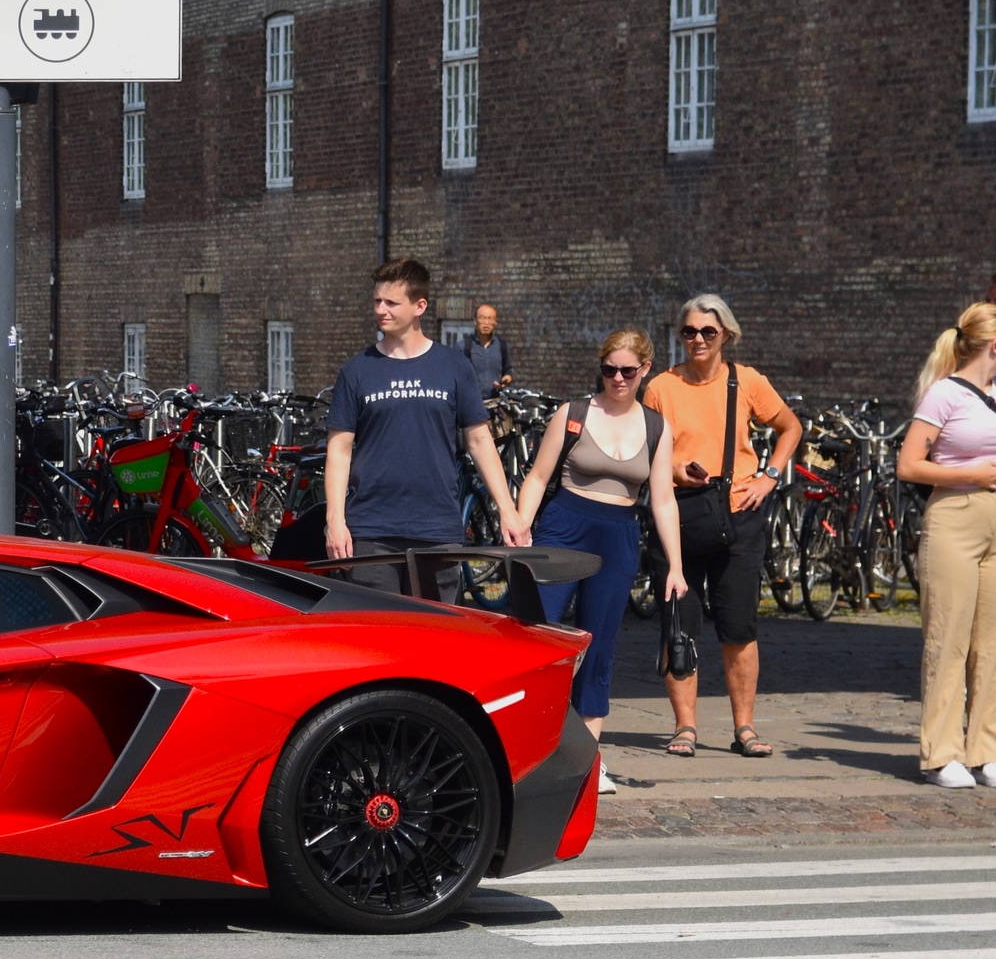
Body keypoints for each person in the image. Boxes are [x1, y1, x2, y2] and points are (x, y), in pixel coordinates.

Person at [511, 329, 688, 794]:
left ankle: (588, 763)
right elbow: (538, 476)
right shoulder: (572, 415)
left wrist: (675, 565)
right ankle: (525, 748)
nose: (617, 379)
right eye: (609, 370)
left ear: (645, 370)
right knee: (538, 636)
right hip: (564, 524)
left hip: (619, 534)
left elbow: (664, 501)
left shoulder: (655, 427)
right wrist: (521, 525)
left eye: (628, 371)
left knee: (599, 646)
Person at [641, 293, 801, 758]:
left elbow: (790, 427)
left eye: (708, 332)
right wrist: (675, 470)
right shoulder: (661, 388)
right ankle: (685, 727)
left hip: (737, 515)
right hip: (680, 516)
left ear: (726, 335)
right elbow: (649, 453)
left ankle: (744, 727)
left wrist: (769, 477)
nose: (697, 339)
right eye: (688, 331)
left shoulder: (746, 381)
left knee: (738, 627)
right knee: (679, 626)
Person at [324, 258, 529, 599]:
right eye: (377, 301)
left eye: (391, 302)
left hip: (436, 528)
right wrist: (335, 520)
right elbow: (339, 449)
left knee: (435, 642)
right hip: (372, 531)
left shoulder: (452, 367)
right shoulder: (357, 370)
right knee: (379, 644)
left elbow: (479, 440)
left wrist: (509, 511)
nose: (380, 309)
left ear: (420, 306)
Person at [896, 302, 996, 787]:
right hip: (955, 518)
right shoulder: (944, 395)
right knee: (948, 639)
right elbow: (909, 465)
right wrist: (970, 473)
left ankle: (986, 750)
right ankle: (941, 753)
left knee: (992, 645)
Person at [466, 303, 513, 398]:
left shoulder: (502, 346)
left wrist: (506, 380)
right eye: (482, 318)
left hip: (496, 403)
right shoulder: (464, 346)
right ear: (475, 320)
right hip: (471, 403)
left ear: (495, 322)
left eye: (490, 318)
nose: (486, 323)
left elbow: (508, 371)